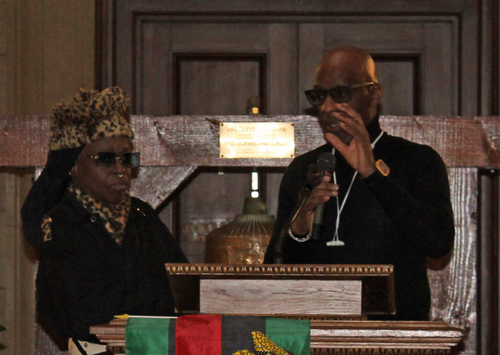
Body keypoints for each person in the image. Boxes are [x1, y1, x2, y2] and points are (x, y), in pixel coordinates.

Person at [263, 46, 455, 321]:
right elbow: (273, 270)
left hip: (393, 340)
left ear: (374, 93)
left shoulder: (417, 160)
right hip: (314, 336)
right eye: (319, 96)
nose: (327, 108)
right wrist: (300, 224)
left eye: (340, 94)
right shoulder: (303, 169)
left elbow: (438, 243)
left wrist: (373, 175)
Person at [21, 87, 189, 353]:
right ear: (74, 166)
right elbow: (84, 315)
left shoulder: (141, 215)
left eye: (127, 158)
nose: (120, 169)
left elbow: (185, 291)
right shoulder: (62, 223)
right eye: (106, 159)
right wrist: (151, 302)